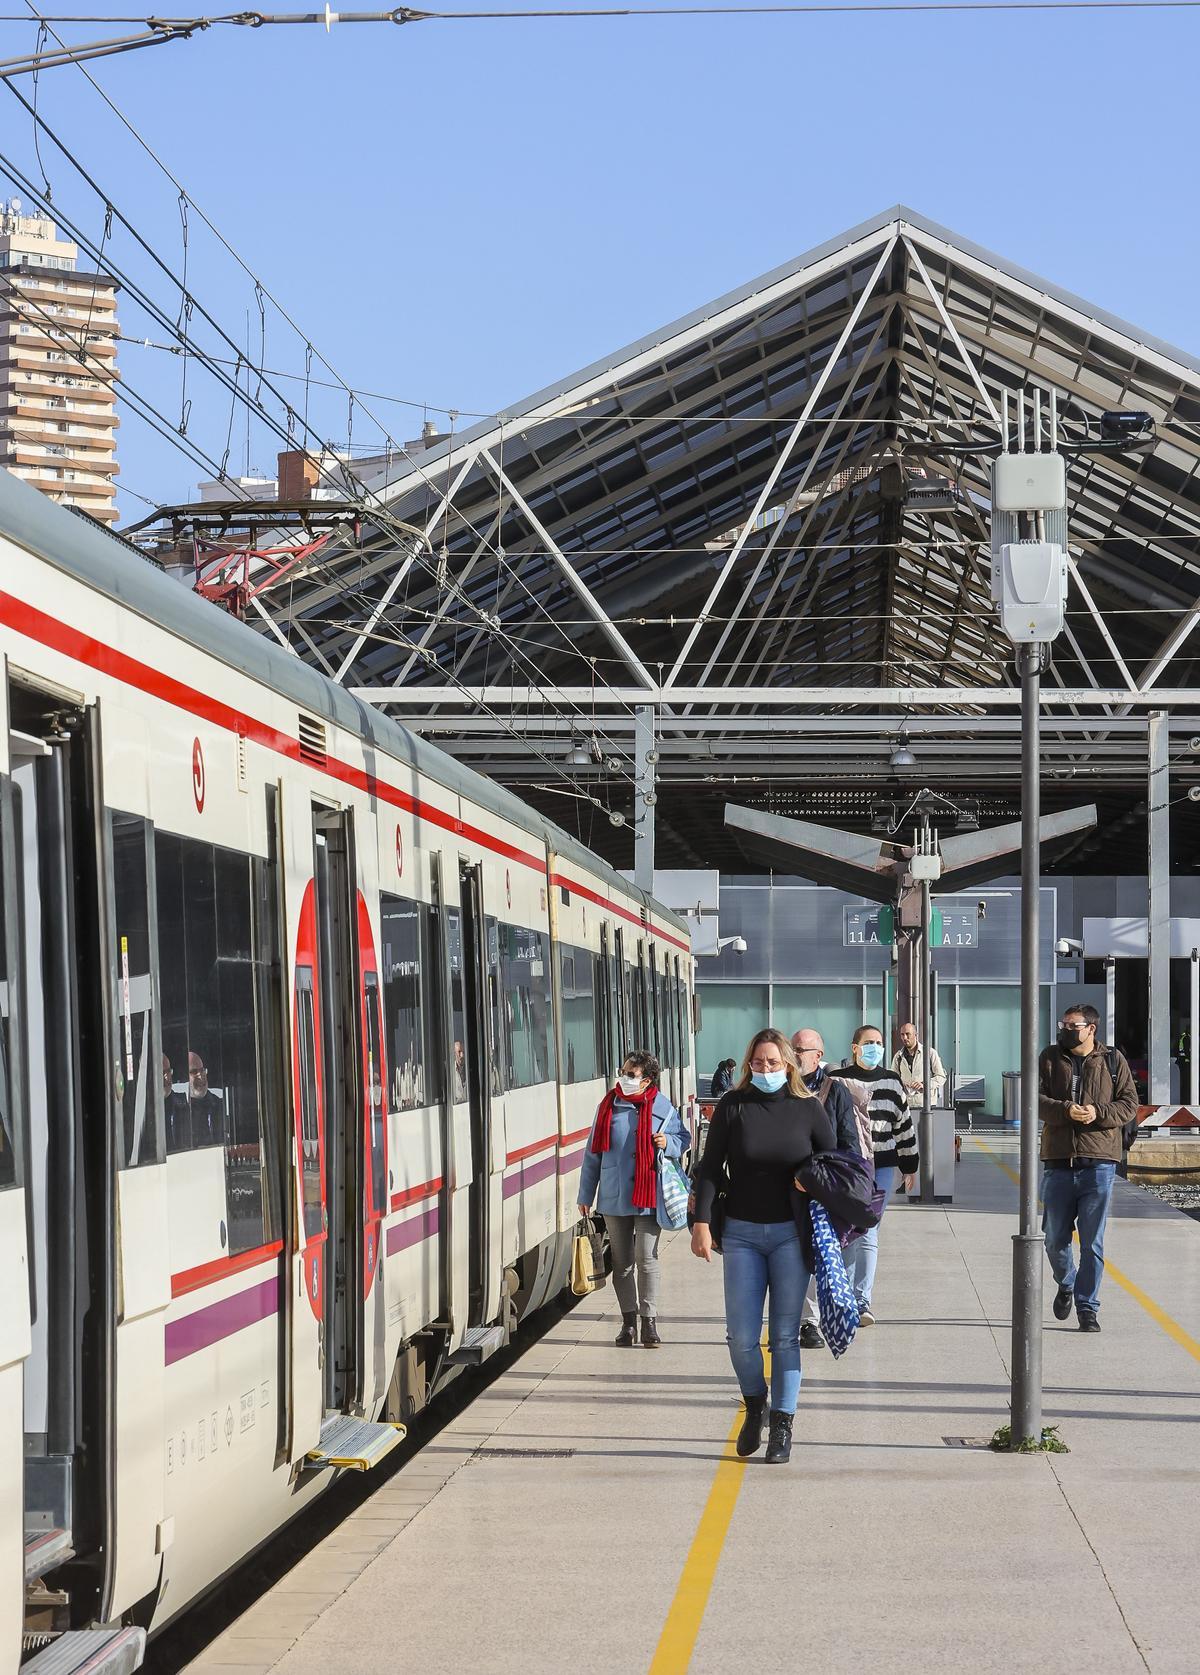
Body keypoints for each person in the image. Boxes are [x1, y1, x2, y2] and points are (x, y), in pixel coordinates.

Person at [691, 1028, 835, 1465]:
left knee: (786, 1336)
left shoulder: (808, 1109)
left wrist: (809, 1178)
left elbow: (834, 1163)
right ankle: (755, 1404)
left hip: (791, 1235)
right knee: (741, 1337)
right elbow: (711, 1166)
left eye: (773, 1063)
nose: (765, 1070)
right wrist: (700, 1222)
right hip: (741, 1234)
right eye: (758, 1063)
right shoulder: (733, 1107)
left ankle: (784, 1423)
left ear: (789, 1064)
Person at [578, 1050, 687, 1349]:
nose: (623, 1078)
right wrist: (585, 1194)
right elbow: (592, 1154)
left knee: (646, 1258)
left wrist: (670, 1143)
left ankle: (649, 1322)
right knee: (622, 1262)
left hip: (648, 1193)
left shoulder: (663, 1107)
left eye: (630, 1074)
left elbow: (684, 1138)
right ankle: (628, 1324)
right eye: (623, 1072)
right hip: (614, 1195)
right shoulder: (607, 1107)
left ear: (646, 1080)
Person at [1040, 1003, 1137, 1333]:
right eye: (1063, 1024)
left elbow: (1129, 1104)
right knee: (1054, 1239)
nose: (1065, 1029)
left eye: (1072, 1025)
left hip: (1099, 1164)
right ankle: (1066, 1282)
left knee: (1092, 1242)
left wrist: (1097, 1112)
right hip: (1058, 1161)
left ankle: (1087, 1307)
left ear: (1091, 1029)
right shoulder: (1050, 1057)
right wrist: (1067, 1110)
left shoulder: (1113, 1060)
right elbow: (1035, 1099)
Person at [826, 1025, 917, 1324]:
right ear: (854, 1047)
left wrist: (910, 1164)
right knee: (848, 1228)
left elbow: (903, 1126)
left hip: (884, 1164)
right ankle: (845, 1297)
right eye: (868, 1043)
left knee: (868, 1228)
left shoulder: (892, 1081)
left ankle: (861, 1300)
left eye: (878, 1043)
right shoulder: (837, 1081)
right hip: (850, 1164)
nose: (874, 1047)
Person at [791, 1027, 861, 1350]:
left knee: (821, 1251)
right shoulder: (783, 1088)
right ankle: (800, 1318)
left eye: (799, 1050)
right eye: (791, 1048)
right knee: (795, 1254)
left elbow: (849, 1142)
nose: (792, 1055)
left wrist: (836, 1182)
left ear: (817, 1056)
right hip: (788, 1188)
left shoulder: (836, 1091)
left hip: (822, 1188)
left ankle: (811, 1321)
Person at [891, 1021, 946, 1108]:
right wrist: (902, 1085)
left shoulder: (930, 1053)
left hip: (927, 1105)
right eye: (902, 1034)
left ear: (915, 1035)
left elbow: (941, 1077)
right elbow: (893, 1080)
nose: (905, 1037)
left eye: (908, 1034)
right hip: (905, 1105)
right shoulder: (898, 1057)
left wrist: (925, 1085)